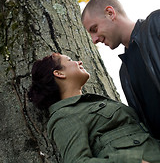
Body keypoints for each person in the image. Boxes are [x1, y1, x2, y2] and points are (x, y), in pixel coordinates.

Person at [28, 52, 160, 163]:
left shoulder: (88, 104)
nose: (79, 61)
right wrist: (132, 161)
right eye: (69, 60)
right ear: (59, 73)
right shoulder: (64, 116)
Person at [81, 0, 160, 140]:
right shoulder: (124, 74)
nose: (94, 40)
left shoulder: (156, 22)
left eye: (94, 29)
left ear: (110, 13)